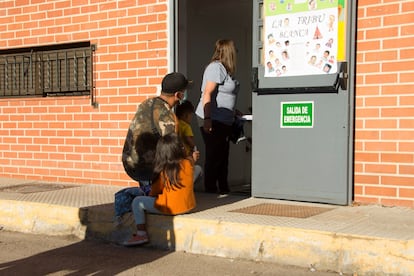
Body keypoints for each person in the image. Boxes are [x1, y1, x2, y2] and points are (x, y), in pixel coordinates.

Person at [116, 72, 191, 224]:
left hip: (129, 164)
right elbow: (173, 151)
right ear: (179, 94)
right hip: (147, 170)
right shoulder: (168, 117)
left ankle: (146, 192)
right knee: (185, 168)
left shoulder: (145, 103)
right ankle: (147, 197)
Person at [122, 133, 197, 246]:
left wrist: (151, 194)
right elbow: (191, 160)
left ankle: (141, 234)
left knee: (137, 201)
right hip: (188, 206)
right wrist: (193, 156)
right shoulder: (188, 163)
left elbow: (155, 191)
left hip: (170, 208)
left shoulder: (163, 170)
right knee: (198, 170)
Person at [195, 39, 240, 195]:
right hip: (213, 118)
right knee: (215, 156)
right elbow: (208, 93)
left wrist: (233, 111)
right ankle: (211, 190)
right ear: (229, 51)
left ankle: (223, 188)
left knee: (222, 155)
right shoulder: (216, 68)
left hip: (224, 119)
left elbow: (224, 96)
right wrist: (208, 119)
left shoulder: (225, 70)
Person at [175, 100, 203, 183]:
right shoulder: (186, 126)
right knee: (197, 170)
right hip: (186, 155)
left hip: (177, 155)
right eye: (191, 115)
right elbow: (188, 138)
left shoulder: (176, 123)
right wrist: (194, 147)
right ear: (186, 115)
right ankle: (187, 186)